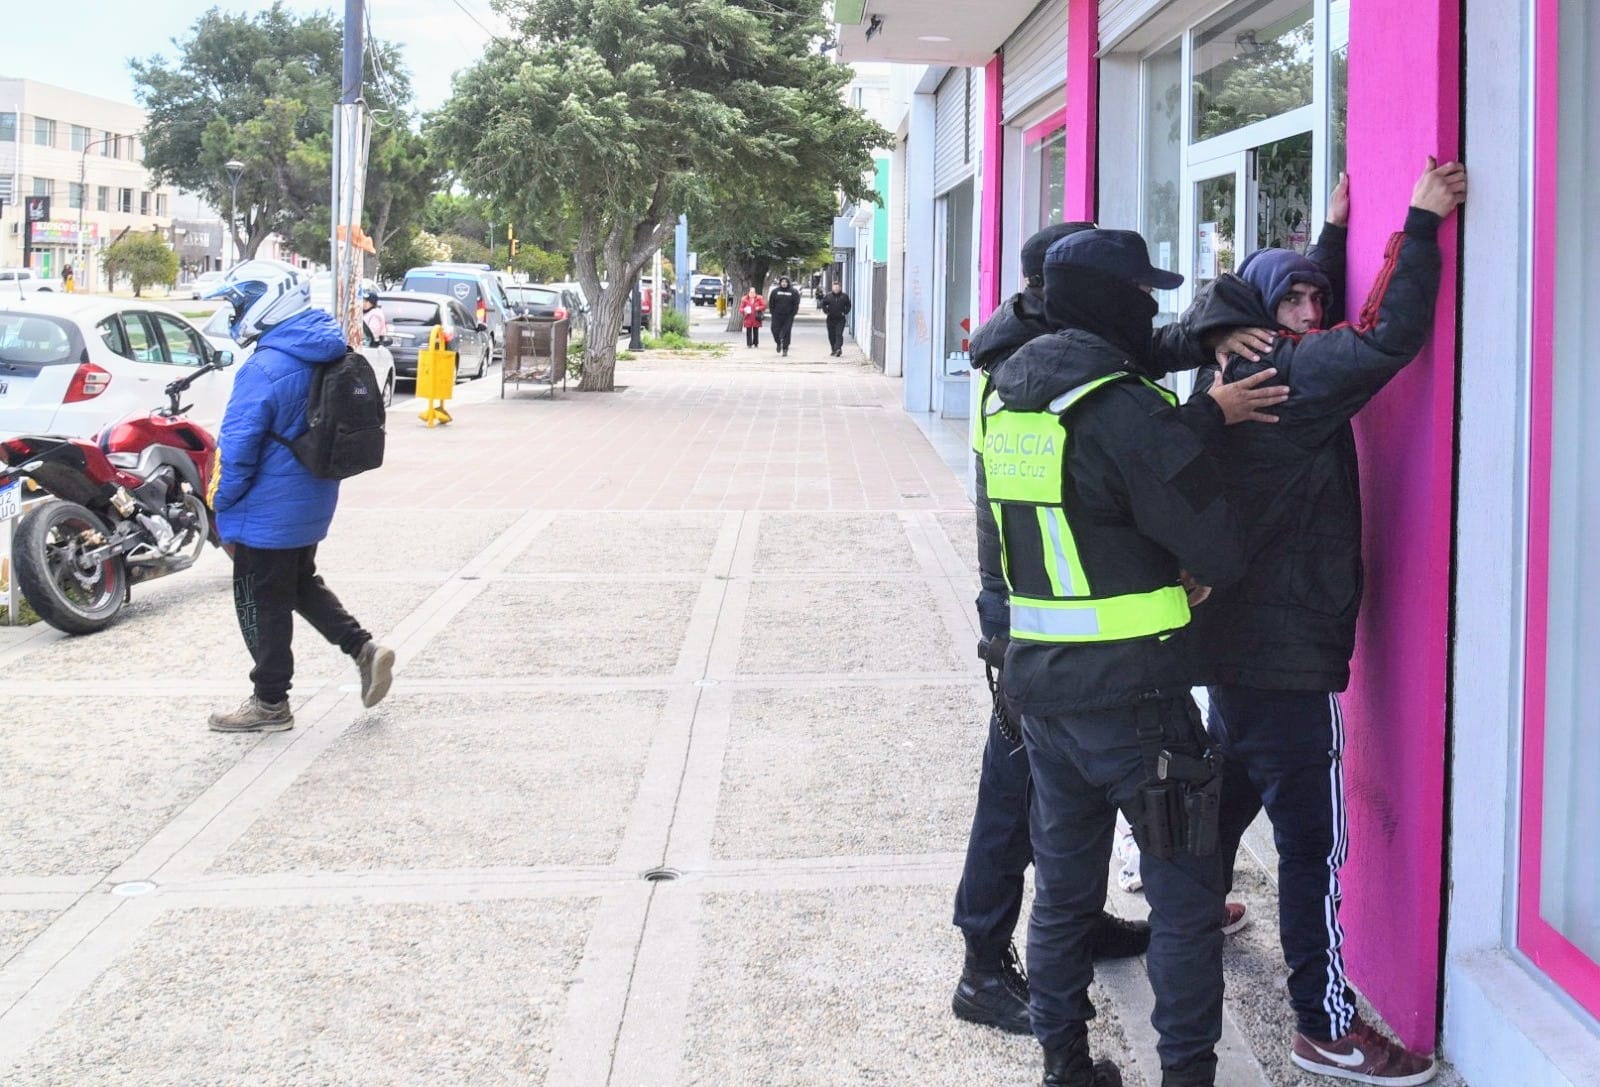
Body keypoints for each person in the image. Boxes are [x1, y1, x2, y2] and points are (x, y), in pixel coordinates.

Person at [952, 223, 1285, 1043]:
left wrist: (1207, 331)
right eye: (1139, 292)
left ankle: (1063, 1041)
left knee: (1060, 870)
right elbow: (1144, 470)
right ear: (1093, 297)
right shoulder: (1094, 392)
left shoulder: (1017, 372)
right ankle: (986, 961)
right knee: (1162, 888)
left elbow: (1072, 493)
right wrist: (1201, 425)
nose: (1150, 308)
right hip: (1115, 676)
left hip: (1038, 646)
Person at [1183, 158, 1467, 1085]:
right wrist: (1419, 224)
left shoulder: (1233, 374)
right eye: (1297, 299)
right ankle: (1325, 1025)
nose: (1314, 306)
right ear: (1266, 320)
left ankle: (1190, 909)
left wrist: (1336, 237)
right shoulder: (1292, 375)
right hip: (1286, 654)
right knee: (1314, 843)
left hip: (1232, 641)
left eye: (1318, 293)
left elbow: (1315, 308)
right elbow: (1383, 339)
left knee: (1231, 782)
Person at [204, 260, 395, 734]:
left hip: (264, 509)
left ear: (268, 302)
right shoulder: (324, 348)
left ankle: (270, 702)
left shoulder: (266, 366)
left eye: (240, 302)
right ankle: (363, 649)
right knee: (297, 582)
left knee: (260, 601)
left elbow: (238, 448)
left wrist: (220, 504)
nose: (236, 312)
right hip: (311, 498)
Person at [767, 275, 801, 356]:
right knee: (774, 330)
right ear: (780, 283)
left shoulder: (793, 292)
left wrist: (793, 313)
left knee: (786, 331)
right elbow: (771, 303)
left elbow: (796, 303)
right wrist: (772, 312)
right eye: (782, 282)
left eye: (786, 282)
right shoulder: (775, 291)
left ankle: (785, 348)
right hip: (777, 315)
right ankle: (779, 343)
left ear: (788, 283)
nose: (784, 283)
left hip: (788, 316)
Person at [819, 281, 852, 356]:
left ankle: (838, 349)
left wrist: (845, 312)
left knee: (839, 334)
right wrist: (826, 312)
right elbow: (823, 304)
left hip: (840, 319)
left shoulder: (844, 296)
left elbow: (848, 305)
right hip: (831, 318)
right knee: (831, 335)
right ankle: (833, 349)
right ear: (832, 288)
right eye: (835, 287)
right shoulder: (828, 296)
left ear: (840, 288)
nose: (836, 289)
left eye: (837, 287)